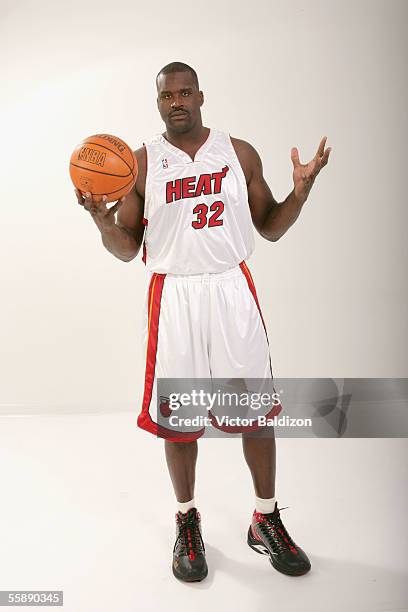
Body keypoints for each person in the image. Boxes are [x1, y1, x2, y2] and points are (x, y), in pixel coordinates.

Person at [75, 61, 331, 583]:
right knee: (179, 418)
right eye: (167, 95)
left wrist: (300, 193)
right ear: (159, 103)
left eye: (185, 92)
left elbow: (272, 227)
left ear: (201, 96)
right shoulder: (142, 164)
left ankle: (265, 518)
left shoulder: (238, 154)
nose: (177, 102)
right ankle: (187, 520)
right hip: (175, 295)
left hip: (232, 289)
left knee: (254, 410)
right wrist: (103, 222)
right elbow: (128, 250)